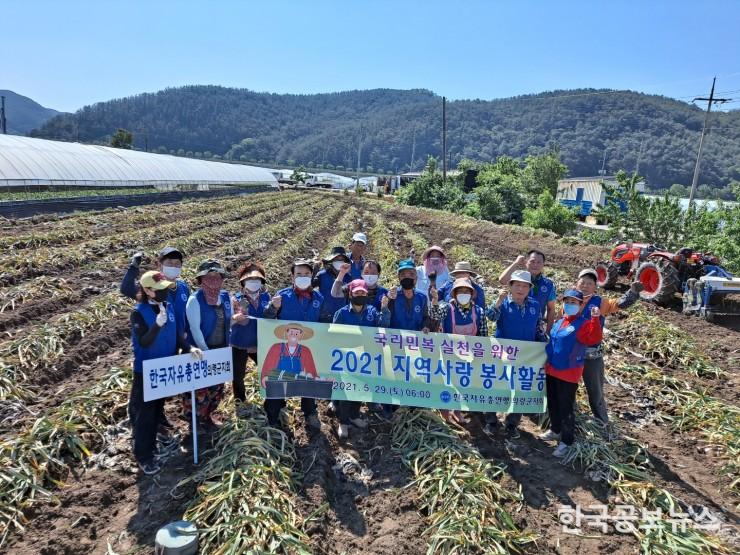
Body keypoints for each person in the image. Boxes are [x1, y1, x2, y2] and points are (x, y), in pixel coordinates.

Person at [130, 271, 201, 475]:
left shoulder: (167, 308)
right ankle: (144, 456)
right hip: (147, 371)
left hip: (165, 368)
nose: (165, 293)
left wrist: (189, 348)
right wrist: (156, 325)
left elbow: (176, 336)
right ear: (148, 290)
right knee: (145, 414)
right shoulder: (139, 312)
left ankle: (152, 446)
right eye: (160, 290)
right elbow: (144, 341)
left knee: (157, 409)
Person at [121, 247, 190, 431]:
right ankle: (137, 423)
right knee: (142, 390)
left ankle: (159, 417)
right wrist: (133, 267)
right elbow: (126, 288)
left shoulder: (183, 287)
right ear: (160, 265)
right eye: (169, 264)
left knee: (163, 385)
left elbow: (187, 313)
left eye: (177, 264)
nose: (173, 267)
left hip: (173, 343)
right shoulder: (151, 286)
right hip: (152, 345)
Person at [574, 268, 643, 425]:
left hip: (591, 355)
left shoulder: (601, 303)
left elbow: (620, 303)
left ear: (595, 287)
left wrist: (632, 292)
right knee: (568, 387)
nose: (585, 286)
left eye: (589, 283)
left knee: (595, 390)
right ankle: (571, 417)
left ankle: (601, 421)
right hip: (571, 353)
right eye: (582, 282)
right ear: (576, 284)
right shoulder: (569, 300)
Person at [539, 289, 603, 458]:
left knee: (566, 407)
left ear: (581, 305)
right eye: (567, 302)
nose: (570, 305)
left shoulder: (583, 324)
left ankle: (566, 441)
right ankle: (555, 429)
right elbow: (551, 343)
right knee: (552, 402)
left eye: (574, 302)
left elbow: (594, 338)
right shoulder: (560, 322)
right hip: (552, 369)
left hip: (568, 372)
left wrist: (595, 318)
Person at [263, 258, 324, 430]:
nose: (303, 277)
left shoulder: (319, 297)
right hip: (283, 349)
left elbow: (324, 322)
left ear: (312, 276)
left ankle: (310, 412)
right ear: (292, 277)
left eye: (306, 274)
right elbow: (266, 318)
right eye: (299, 274)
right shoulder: (282, 296)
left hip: (307, 349)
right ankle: (273, 417)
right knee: (278, 381)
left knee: (308, 379)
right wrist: (273, 308)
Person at [485, 270, 547, 438]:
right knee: (497, 387)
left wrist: (544, 346)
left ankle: (512, 423)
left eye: (524, 286)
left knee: (520, 389)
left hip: (526, 356)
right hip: (502, 354)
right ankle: (491, 421)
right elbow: (490, 317)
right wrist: (498, 300)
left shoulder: (534, 306)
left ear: (529, 288)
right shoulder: (503, 303)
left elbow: (538, 328)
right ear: (510, 286)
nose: (521, 289)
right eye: (517, 285)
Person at [332, 279, 391, 438]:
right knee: (347, 391)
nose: (360, 295)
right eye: (356, 292)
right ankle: (343, 422)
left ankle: (354, 416)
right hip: (346, 359)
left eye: (363, 293)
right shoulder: (342, 313)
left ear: (367, 294)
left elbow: (382, 327)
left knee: (360, 388)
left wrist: (384, 309)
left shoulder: (372, 311)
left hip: (366, 359)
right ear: (350, 294)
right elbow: (334, 334)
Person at [430, 277, 488, 425]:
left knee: (463, 383)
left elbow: (483, 335)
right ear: (454, 294)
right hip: (448, 353)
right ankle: (445, 411)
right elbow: (434, 315)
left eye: (466, 291)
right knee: (446, 382)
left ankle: (458, 411)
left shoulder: (478, 311)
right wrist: (435, 301)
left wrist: (480, 354)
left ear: (472, 293)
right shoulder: (446, 308)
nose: (463, 294)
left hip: (469, 355)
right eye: (460, 291)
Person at [384, 259, 436, 418]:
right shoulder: (392, 295)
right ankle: (390, 408)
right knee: (394, 375)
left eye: (411, 274)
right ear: (399, 278)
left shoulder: (421, 297)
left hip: (415, 346)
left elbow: (426, 317)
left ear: (416, 278)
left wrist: (426, 326)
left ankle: (413, 407)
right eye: (404, 274)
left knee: (413, 374)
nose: (408, 277)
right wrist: (387, 301)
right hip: (395, 345)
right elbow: (384, 317)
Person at [184, 259, 231, 432]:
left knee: (217, 388)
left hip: (221, 349)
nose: (213, 280)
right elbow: (195, 329)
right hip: (201, 352)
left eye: (217, 276)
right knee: (198, 390)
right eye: (208, 276)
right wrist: (206, 352)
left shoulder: (225, 297)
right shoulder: (194, 301)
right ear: (200, 280)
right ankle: (194, 424)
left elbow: (228, 322)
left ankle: (208, 416)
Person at [230, 261, 271, 405]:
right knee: (238, 375)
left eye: (257, 279)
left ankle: (270, 399)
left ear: (262, 281)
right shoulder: (236, 299)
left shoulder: (267, 298)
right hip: (239, 343)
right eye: (249, 279)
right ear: (243, 282)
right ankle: (240, 401)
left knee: (268, 370)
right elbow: (229, 321)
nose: (253, 282)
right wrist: (236, 318)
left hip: (260, 342)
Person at [498, 250, 557, 334]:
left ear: (543, 264)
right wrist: (516, 262)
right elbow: (502, 280)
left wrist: (548, 332)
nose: (535, 265)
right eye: (532, 261)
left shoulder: (549, 285)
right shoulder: (517, 278)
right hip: (511, 323)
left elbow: (551, 309)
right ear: (526, 262)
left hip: (534, 328)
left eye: (539, 262)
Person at [314, 246, 352, 323]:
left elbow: (349, 298)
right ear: (331, 260)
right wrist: (314, 270)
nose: (339, 262)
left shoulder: (348, 278)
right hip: (323, 316)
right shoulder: (322, 275)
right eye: (337, 259)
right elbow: (310, 287)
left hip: (341, 316)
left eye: (341, 260)